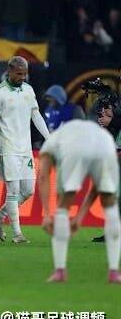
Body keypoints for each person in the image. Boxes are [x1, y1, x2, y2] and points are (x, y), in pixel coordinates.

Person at [38, 120, 121, 283]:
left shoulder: (50, 143)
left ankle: (60, 271)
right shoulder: (92, 135)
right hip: (104, 143)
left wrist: (47, 214)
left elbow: (43, 176)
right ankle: (114, 272)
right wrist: (80, 216)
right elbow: (98, 186)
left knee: (63, 206)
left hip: (74, 147)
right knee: (110, 203)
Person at [0, 56, 50, 243]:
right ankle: (17, 234)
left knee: (28, 191)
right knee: (13, 191)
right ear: (9, 71)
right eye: (19, 74)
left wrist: (49, 138)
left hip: (25, 147)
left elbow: (36, 115)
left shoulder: (28, 90)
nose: (22, 77)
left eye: (25, 74)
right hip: (6, 146)